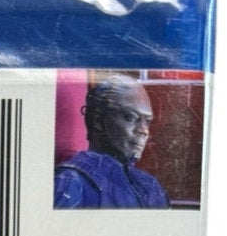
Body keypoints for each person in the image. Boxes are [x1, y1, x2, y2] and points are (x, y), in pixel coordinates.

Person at [54, 75, 169, 209]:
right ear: (98, 120)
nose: (144, 131)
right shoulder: (70, 184)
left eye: (147, 122)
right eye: (130, 117)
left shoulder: (151, 187)